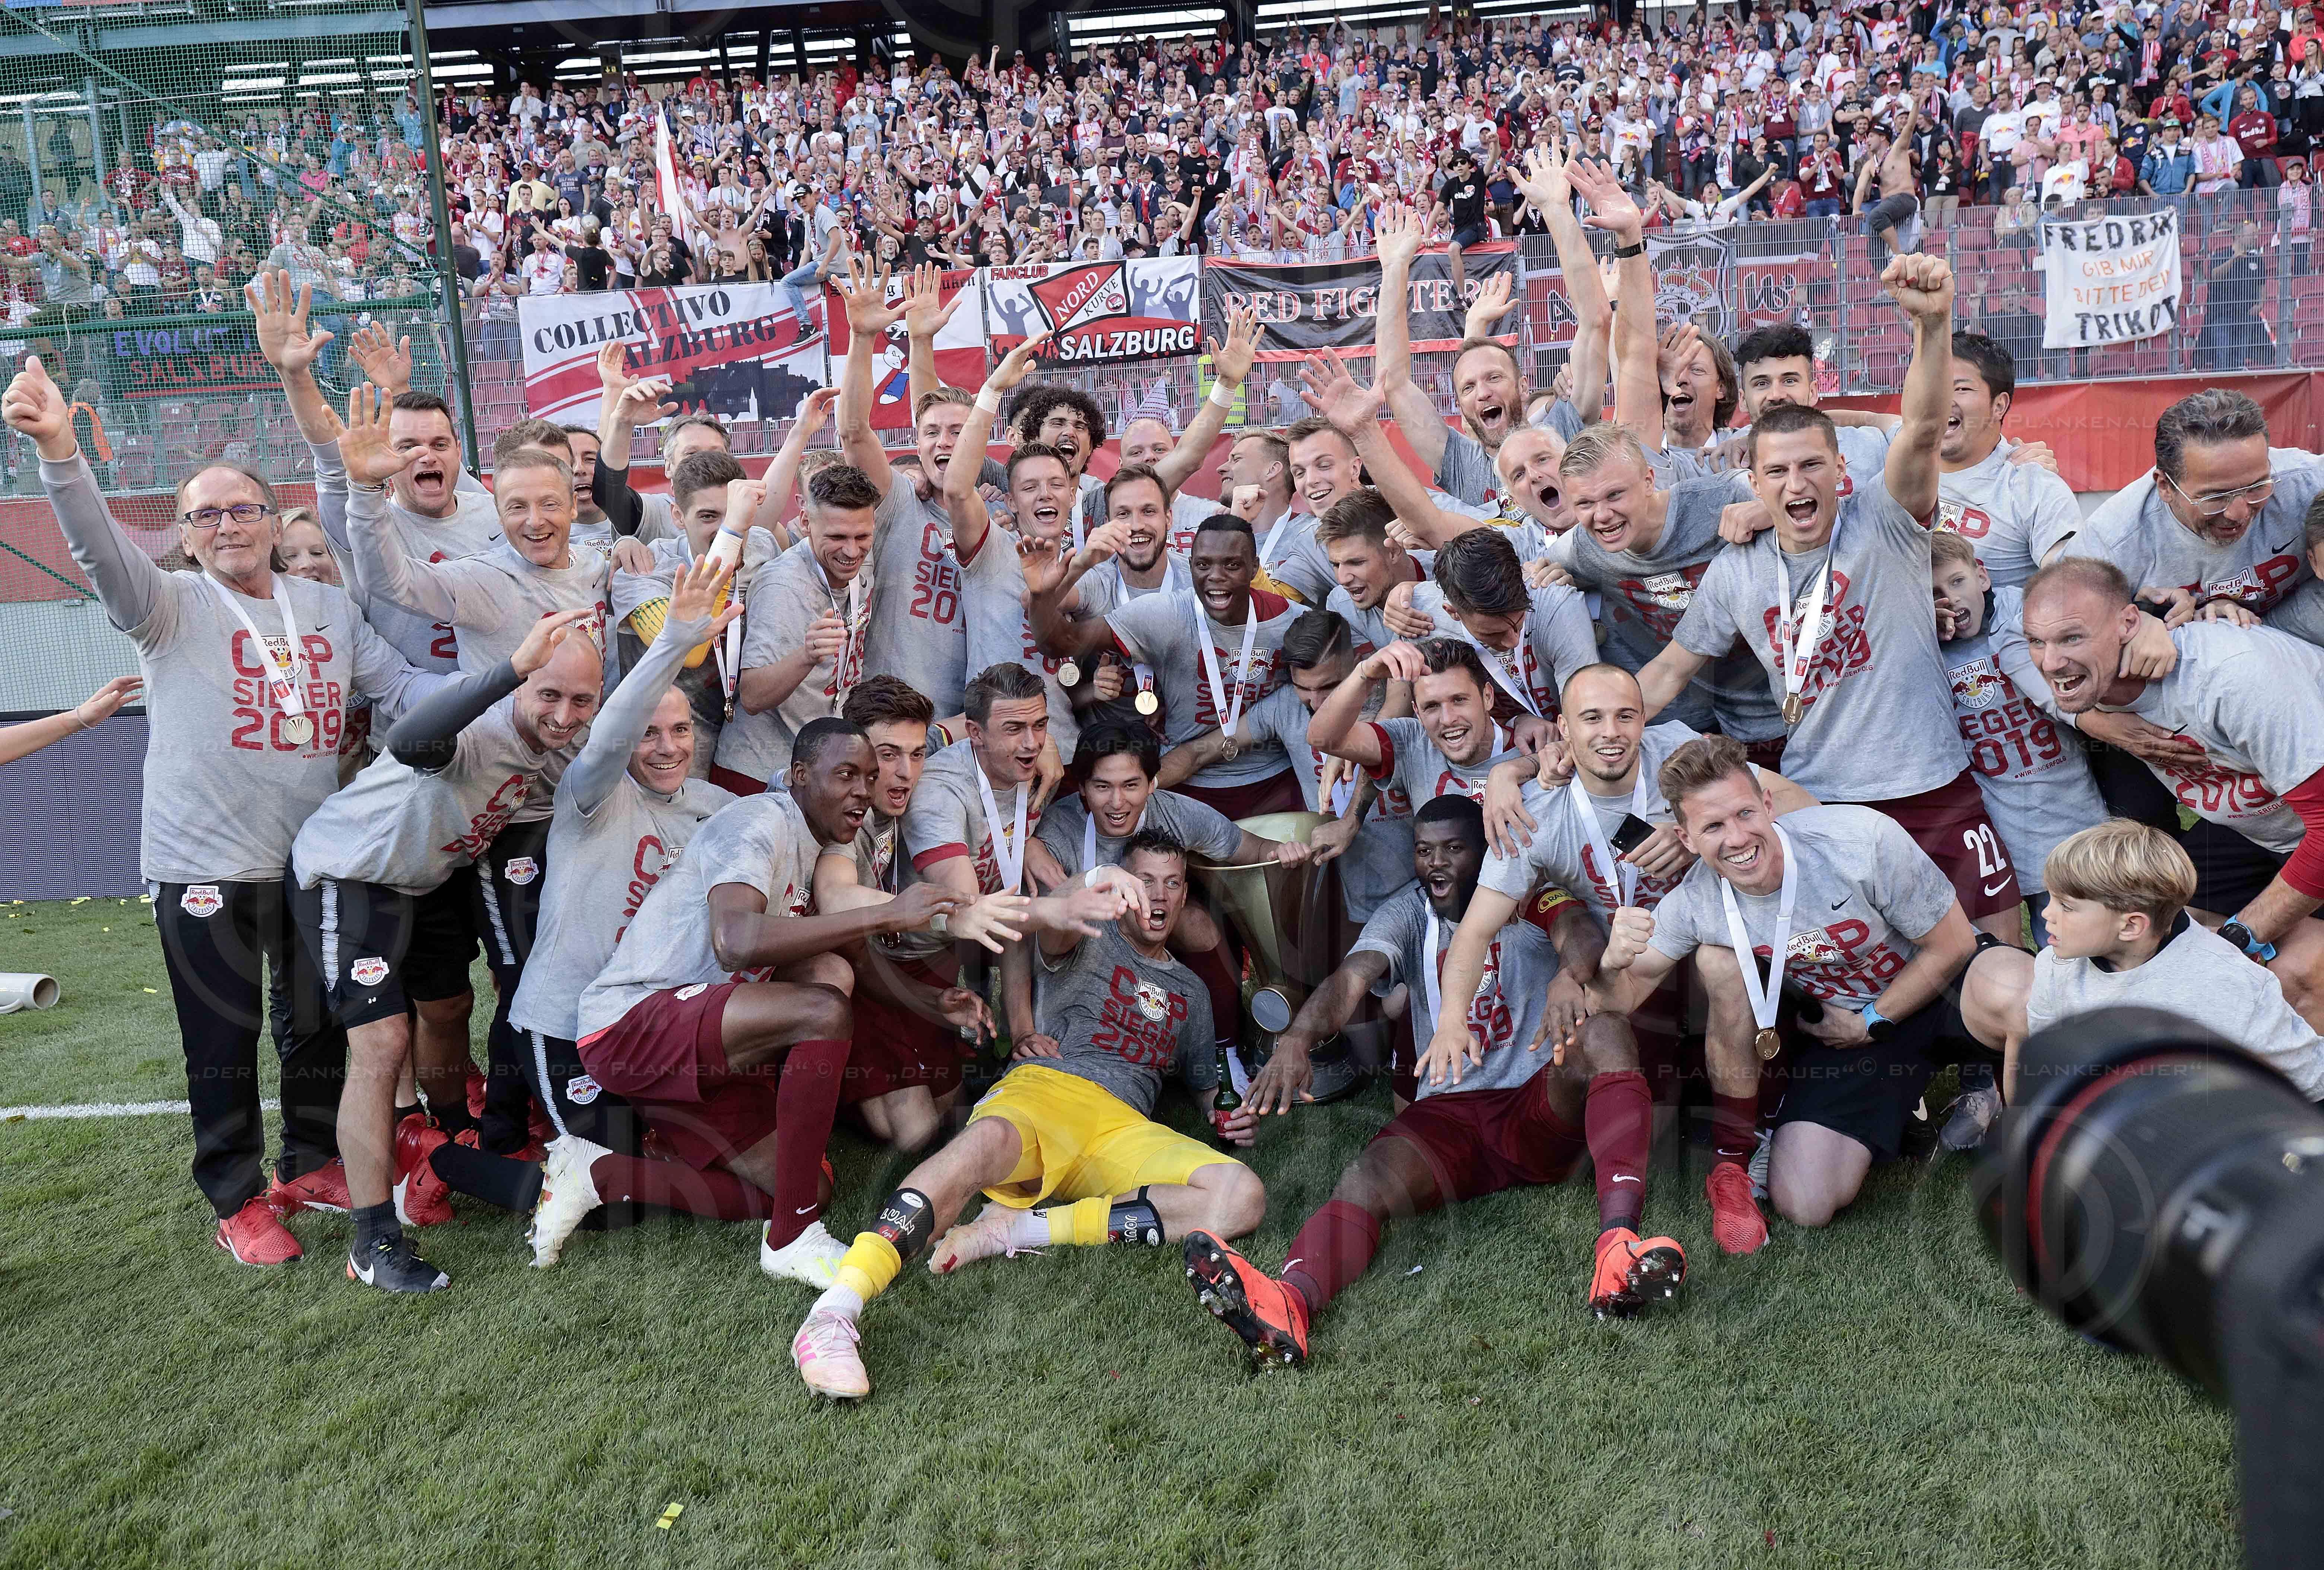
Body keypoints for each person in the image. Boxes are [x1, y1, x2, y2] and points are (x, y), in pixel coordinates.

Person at [9, 352, 434, 1268]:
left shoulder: (327, 606)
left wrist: (507, 698)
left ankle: (314, 1161)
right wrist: (57, 453)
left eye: (243, 507)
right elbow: (96, 550)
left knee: (318, 1019)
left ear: (273, 519)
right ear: (187, 536)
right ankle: (236, 1198)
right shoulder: (166, 606)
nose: (228, 524)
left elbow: (401, 690)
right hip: (204, 864)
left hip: (314, 860)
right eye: (206, 513)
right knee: (222, 1035)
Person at [1181, 796, 1684, 1370]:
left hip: (1534, 1104)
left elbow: (1579, 932)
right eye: (1424, 851)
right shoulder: (1409, 911)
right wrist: (1295, 1040)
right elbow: (1352, 979)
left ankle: (1618, 1249)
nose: (1436, 864)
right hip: (1447, 1114)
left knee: (1605, 1030)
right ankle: (1288, 1303)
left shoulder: (1529, 892)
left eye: (1453, 849)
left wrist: (1572, 974)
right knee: (1366, 1179)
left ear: (1488, 852)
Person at [1628, 255, 2027, 936]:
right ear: (1753, 483)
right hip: (1822, 798)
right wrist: (1584, 727)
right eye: (1777, 471)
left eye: (1812, 464)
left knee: (2000, 953)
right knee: (1870, 969)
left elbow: (1924, 431)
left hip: (1932, 783)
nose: (1794, 483)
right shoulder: (1737, 572)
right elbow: (1670, 669)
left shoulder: (1888, 521)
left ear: (1842, 469)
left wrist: (1933, 328)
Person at [788, 829, 1260, 1401]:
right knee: (976, 1150)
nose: (1159, 897)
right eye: (1145, 882)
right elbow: (1050, 923)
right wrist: (1086, 887)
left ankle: (1021, 1228)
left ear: (1186, 894)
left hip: (1124, 1125)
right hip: (1047, 1089)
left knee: (1241, 1195)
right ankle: (836, 1311)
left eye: (1173, 883)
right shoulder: (1088, 936)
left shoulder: (1191, 990)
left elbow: (1208, 1090)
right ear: (1124, 888)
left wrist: (1227, 1114)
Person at [1586, 735, 2023, 1234]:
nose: (1736, 838)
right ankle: (1896, 1108)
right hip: (1849, 1027)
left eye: (1745, 814)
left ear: (1767, 804)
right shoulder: (1695, 904)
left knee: (2019, 991)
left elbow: (1952, 946)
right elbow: (1614, 1000)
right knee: (1806, 1203)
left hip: (1940, 987)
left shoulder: (1859, 840)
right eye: (1712, 826)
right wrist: (1611, 961)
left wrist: (1874, 1021)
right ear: (1686, 838)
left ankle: (2039, 1160)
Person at [287, 608, 601, 1292]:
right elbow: (413, 735)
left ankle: (448, 1135)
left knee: (451, 1005)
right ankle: (372, 1239)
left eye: (582, 699)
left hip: (423, 880)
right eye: (548, 693)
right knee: (381, 1044)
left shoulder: (561, 742)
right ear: (520, 686)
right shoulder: (478, 727)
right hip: (351, 872)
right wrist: (511, 669)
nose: (565, 712)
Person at [481, 558, 740, 1256]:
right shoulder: (590, 796)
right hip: (565, 1023)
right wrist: (671, 644)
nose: (667, 747)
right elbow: (616, 727)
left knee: (698, 1156)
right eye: (650, 734)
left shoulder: (715, 810)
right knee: (611, 1200)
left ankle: (602, 1141)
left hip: (645, 1029)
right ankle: (443, 1165)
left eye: (681, 731)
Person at [2020, 557, 2324, 1024]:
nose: (2051, 662)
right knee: (2138, 935)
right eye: (2036, 642)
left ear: (2128, 624)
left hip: (2314, 830)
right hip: (2263, 830)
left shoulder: (2232, 681)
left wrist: (2243, 935)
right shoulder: (2089, 684)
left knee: (2295, 973)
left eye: (2072, 638)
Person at [1967, 820, 2324, 1105]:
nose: (2047, 914)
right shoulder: (2055, 966)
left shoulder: (2229, 985)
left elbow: (2307, 1085)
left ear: (2131, 925)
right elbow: (2045, 1058)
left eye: (2067, 906)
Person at [1030, 514, 1305, 816]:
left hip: (1276, 784)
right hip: (1185, 786)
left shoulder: (1292, 622)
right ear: (1190, 567)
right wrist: (1043, 596)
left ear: (1254, 568)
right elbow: (1060, 643)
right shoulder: (1168, 616)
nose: (1215, 576)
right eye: (1203, 565)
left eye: (1232, 565)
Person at [721, 463, 882, 791]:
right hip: (757, 773)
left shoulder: (860, 563)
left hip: (814, 768)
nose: (852, 551)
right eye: (837, 537)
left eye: (862, 536)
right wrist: (807, 656)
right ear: (806, 522)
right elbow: (751, 696)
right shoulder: (782, 586)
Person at [1935, 331, 2083, 588]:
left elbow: (2070, 580)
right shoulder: (1895, 460)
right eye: (1935, 387)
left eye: (1961, 389)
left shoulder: (2033, 487)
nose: (1942, 400)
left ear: (1999, 406)